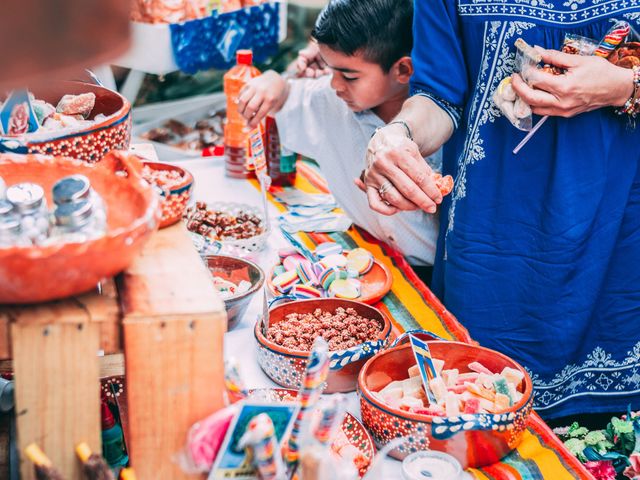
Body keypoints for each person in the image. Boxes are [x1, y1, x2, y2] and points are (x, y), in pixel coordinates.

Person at [362, 2, 640, 420]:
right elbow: (438, 96)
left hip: (621, 239)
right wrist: (398, 135)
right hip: (495, 248)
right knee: (477, 410)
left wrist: (625, 86)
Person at [236, 0, 441, 279]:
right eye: (330, 69)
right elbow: (285, 96)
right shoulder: (329, 101)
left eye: (348, 75)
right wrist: (273, 81)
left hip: (433, 276)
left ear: (403, 70)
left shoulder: (442, 128)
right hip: (363, 258)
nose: (335, 84)